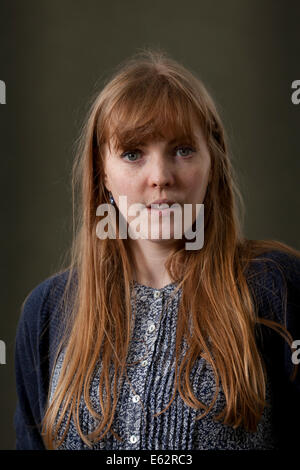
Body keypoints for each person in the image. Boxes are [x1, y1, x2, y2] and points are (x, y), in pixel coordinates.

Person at [14, 48, 300, 451]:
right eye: (133, 153)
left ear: (212, 162)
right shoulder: (47, 310)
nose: (161, 177)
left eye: (183, 150)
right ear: (103, 174)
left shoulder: (277, 286)